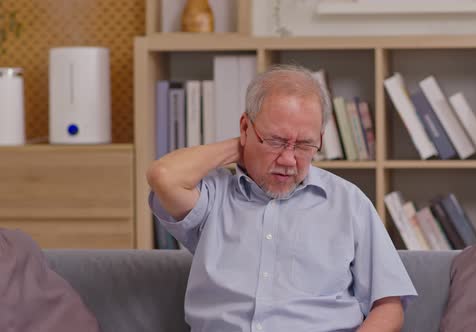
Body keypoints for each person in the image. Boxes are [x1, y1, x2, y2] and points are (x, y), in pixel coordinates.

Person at [147, 64, 417, 332]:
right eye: (276, 141)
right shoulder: (213, 197)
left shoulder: (349, 203)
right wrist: (241, 145)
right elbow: (163, 175)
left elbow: (389, 306)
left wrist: (265, 142)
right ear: (245, 127)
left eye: (304, 145)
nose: (288, 160)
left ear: (320, 141)